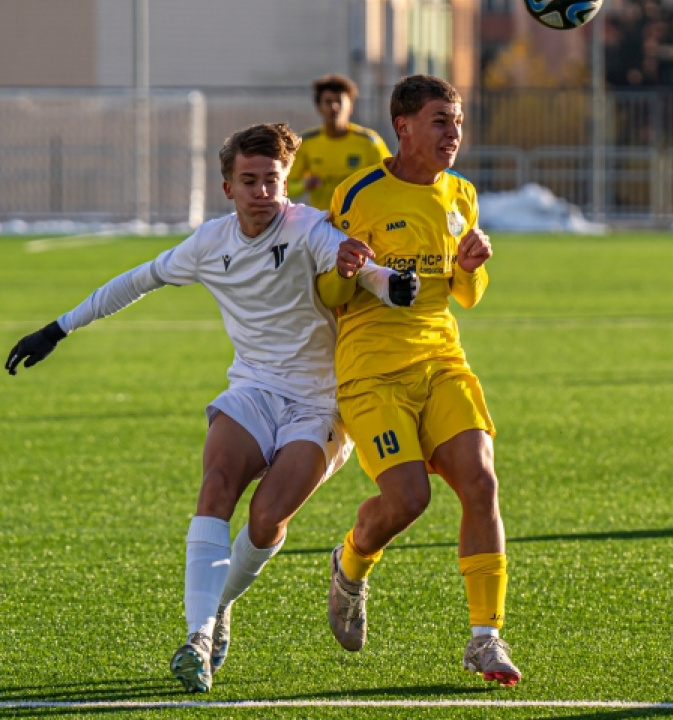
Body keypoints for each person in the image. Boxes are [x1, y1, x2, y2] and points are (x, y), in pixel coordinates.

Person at [4, 122, 418, 694]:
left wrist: (388, 282)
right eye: (249, 181)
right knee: (216, 485)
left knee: (266, 518)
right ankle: (198, 637)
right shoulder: (210, 243)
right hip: (251, 389)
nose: (262, 191)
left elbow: (357, 266)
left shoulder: (310, 229)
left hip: (319, 405)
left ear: (285, 181)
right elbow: (137, 279)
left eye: (271, 180)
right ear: (227, 188)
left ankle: (221, 604)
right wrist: (58, 328)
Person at [323, 75, 521, 687]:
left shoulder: (462, 192)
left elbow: (466, 296)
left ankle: (486, 637)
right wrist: (346, 267)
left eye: (457, 121)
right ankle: (350, 563)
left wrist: (471, 268)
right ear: (402, 126)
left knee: (481, 480)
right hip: (371, 373)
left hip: (441, 361)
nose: (453, 133)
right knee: (409, 500)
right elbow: (327, 293)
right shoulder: (358, 193)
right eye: (441, 121)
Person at [288, 73, 391, 211]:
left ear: (350, 106)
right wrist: (304, 184)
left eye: (339, 101)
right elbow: (287, 186)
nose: (334, 107)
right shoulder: (306, 142)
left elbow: (391, 179)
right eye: (328, 102)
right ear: (319, 107)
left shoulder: (369, 141)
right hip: (324, 222)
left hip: (360, 223)